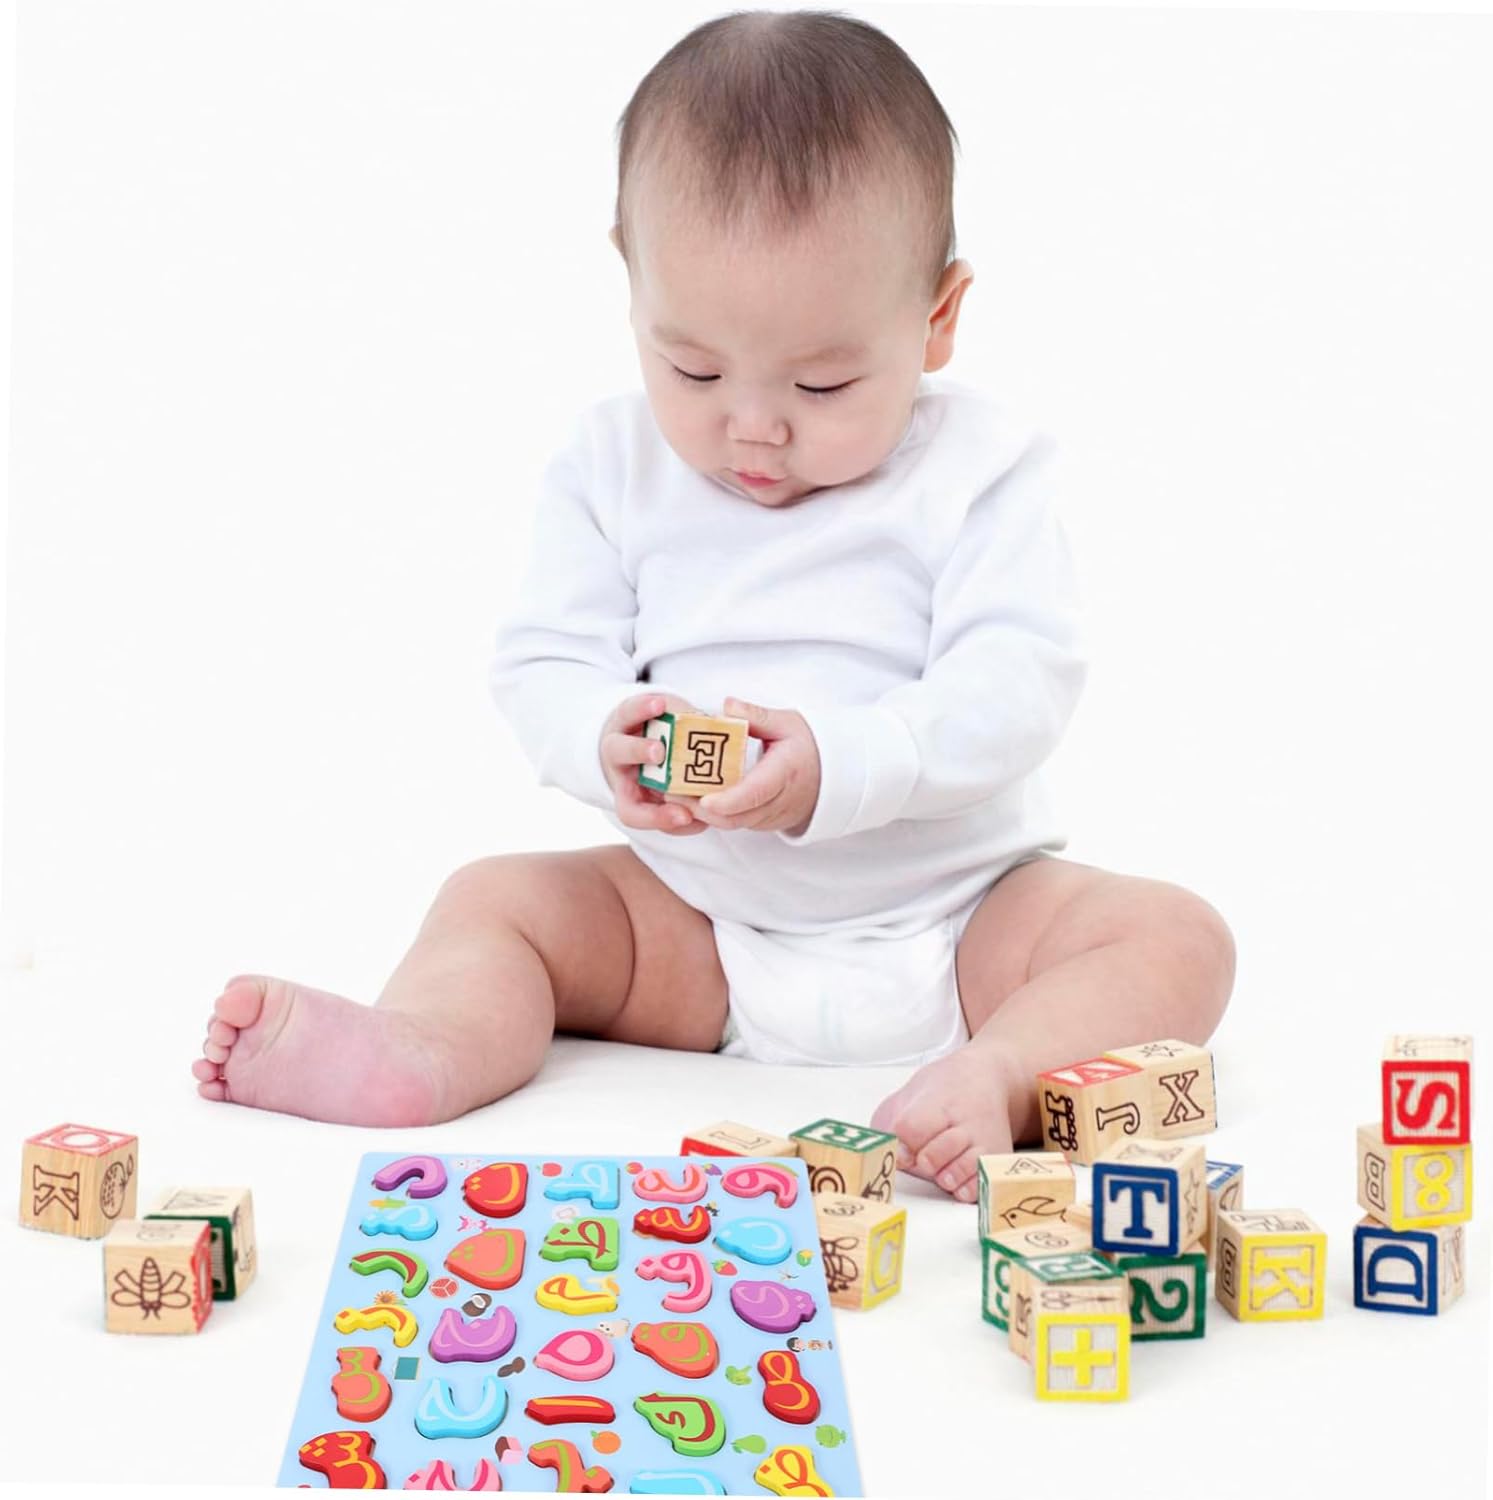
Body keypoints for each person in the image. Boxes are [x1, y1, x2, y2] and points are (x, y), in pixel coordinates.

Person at [192, 10, 1233, 1204]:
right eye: (692, 368)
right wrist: (604, 737)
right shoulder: (610, 465)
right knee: (496, 900)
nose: (752, 425)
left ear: (935, 319)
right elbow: (544, 660)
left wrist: (838, 765)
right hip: (690, 928)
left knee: (1175, 938)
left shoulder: (981, 470)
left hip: (964, 924)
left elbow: (1016, 684)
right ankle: (428, 1047)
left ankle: (996, 1074)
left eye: (823, 382)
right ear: (632, 285)